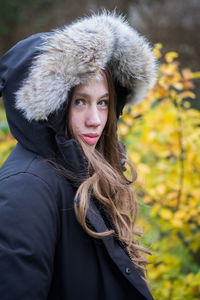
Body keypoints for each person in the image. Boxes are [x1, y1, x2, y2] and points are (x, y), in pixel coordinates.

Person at [0, 11, 157, 300]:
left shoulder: (85, 170)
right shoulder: (27, 187)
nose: (96, 119)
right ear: (51, 108)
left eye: (103, 102)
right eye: (80, 102)